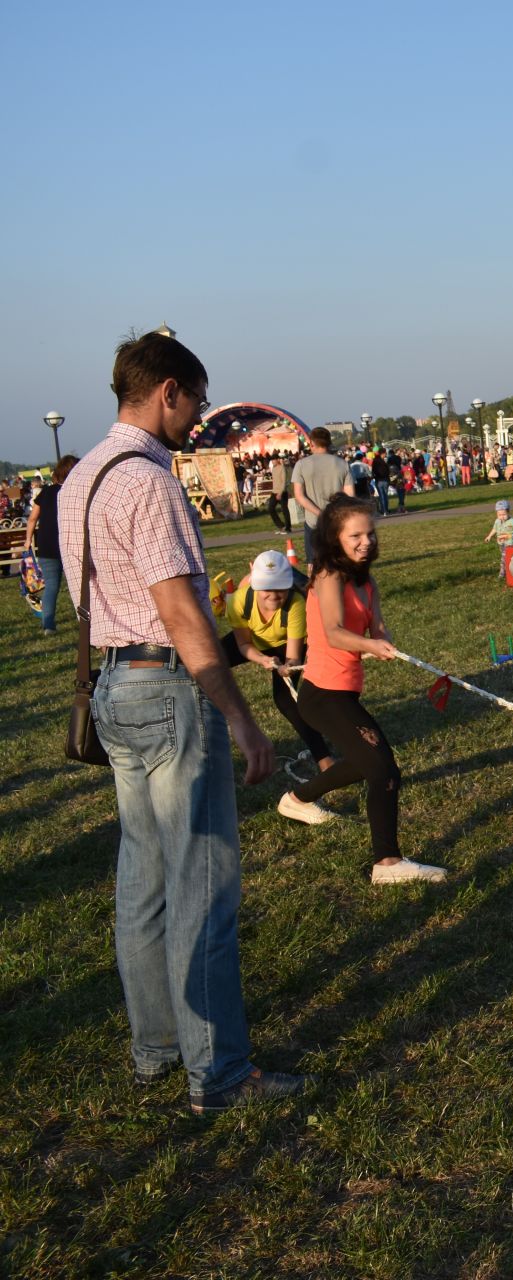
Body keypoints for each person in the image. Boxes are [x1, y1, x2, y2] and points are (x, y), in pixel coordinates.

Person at [57, 330, 304, 1114]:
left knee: (144, 882)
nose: (197, 416)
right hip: (166, 688)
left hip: (114, 690)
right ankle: (220, 1074)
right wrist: (242, 719)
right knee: (203, 885)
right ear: (167, 390)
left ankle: (155, 1050)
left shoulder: (81, 478)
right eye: (195, 399)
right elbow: (174, 610)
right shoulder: (149, 482)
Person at [281, 496, 445, 883]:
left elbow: (378, 626)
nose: (365, 542)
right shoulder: (328, 576)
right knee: (383, 769)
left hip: (344, 691)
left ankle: (298, 799)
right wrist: (371, 646)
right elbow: (336, 633)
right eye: (355, 535)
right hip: (322, 695)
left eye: (370, 533)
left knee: (363, 762)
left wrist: (384, 640)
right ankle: (387, 863)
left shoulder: (365, 579)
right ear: (335, 538)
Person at [213, 548, 333, 783]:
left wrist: (287, 667)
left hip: (284, 646)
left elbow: (293, 655)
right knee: (209, 666)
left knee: (286, 700)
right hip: (252, 643)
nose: (274, 595)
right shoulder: (238, 601)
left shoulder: (297, 604)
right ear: (255, 584)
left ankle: (325, 759)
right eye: (267, 588)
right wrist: (262, 659)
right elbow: (243, 644)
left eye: (281, 588)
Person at [25, 454, 75, 632]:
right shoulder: (74, 491)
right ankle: (88, 623)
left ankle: (48, 625)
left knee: (51, 586)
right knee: (79, 585)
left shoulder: (45, 492)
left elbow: (32, 519)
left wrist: (27, 541)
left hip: (46, 545)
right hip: (70, 543)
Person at [290, 427, 352, 566]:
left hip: (313, 522)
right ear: (329, 443)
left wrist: (320, 513)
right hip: (337, 521)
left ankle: (314, 587)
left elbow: (299, 496)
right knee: (339, 563)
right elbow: (350, 496)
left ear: (311, 443)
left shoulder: (301, 465)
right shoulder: (342, 464)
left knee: (313, 563)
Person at [483, 499, 513, 573]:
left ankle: (502, 573)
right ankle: (511, 569)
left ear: (508, 512)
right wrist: (489, 536)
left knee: (504, 559)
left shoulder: (512, 521)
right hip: (501, 544)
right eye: (499, 515)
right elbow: (494, 529)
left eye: (504, 514)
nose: (502, 517)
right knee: (506, 558)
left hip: (510, 544)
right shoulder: (497, 521)